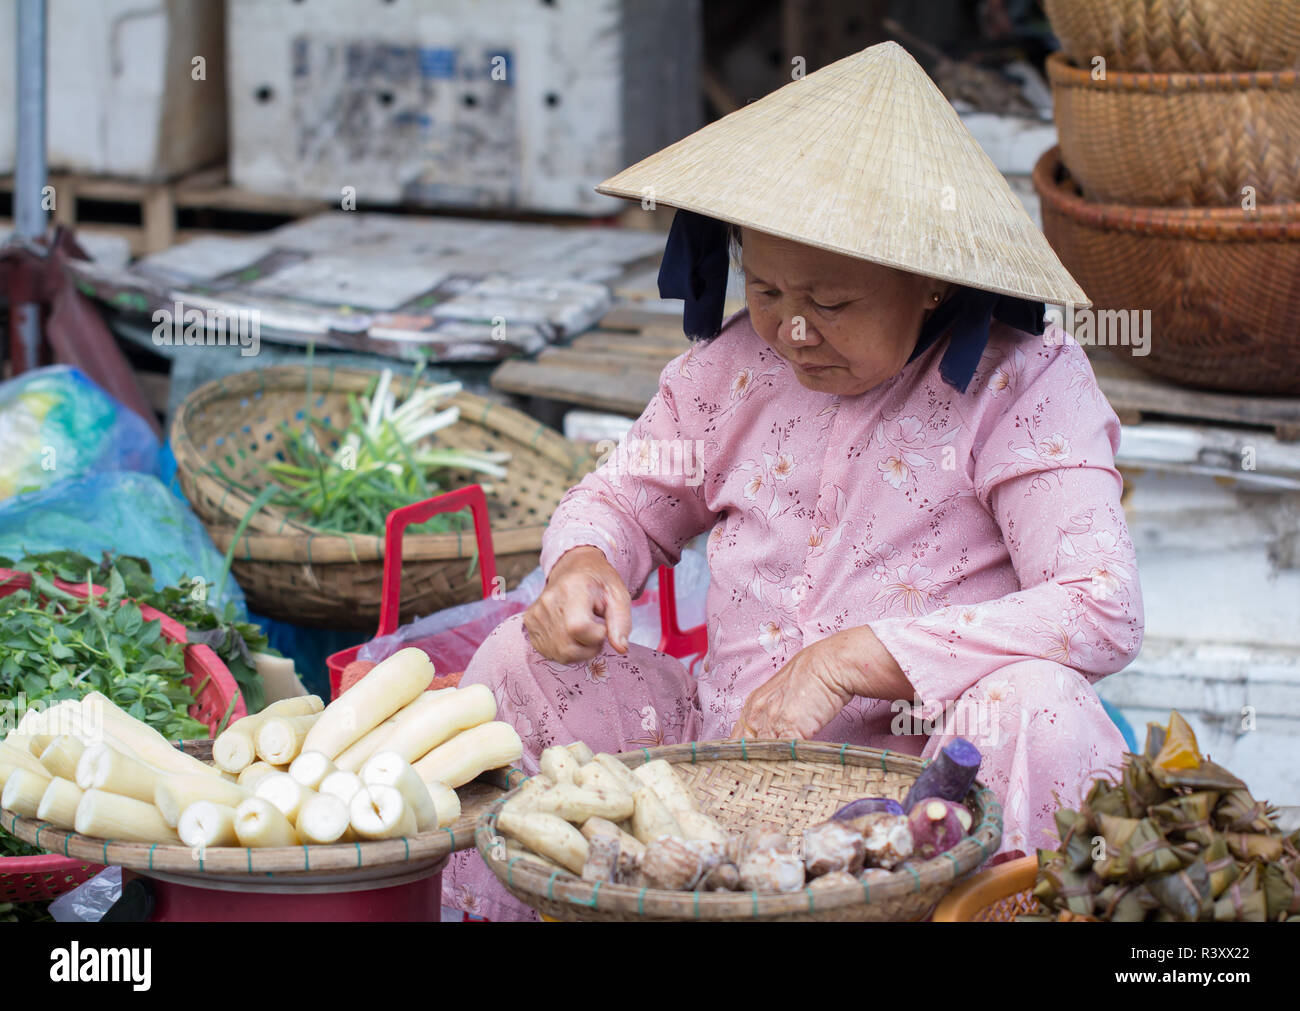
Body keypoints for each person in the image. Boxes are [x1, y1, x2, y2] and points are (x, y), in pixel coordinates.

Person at [445, 42, 1141, 921]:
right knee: (520, 660)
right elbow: (624, 496)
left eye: (834, 302)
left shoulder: (1025, 384)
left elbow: (1102, 600)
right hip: (723, 772)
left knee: (1043, 705)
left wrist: (853, 660)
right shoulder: (731, 371)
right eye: (768, 288)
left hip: (926, 798)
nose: (795, 330)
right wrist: (586, 561)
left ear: (929, 281)